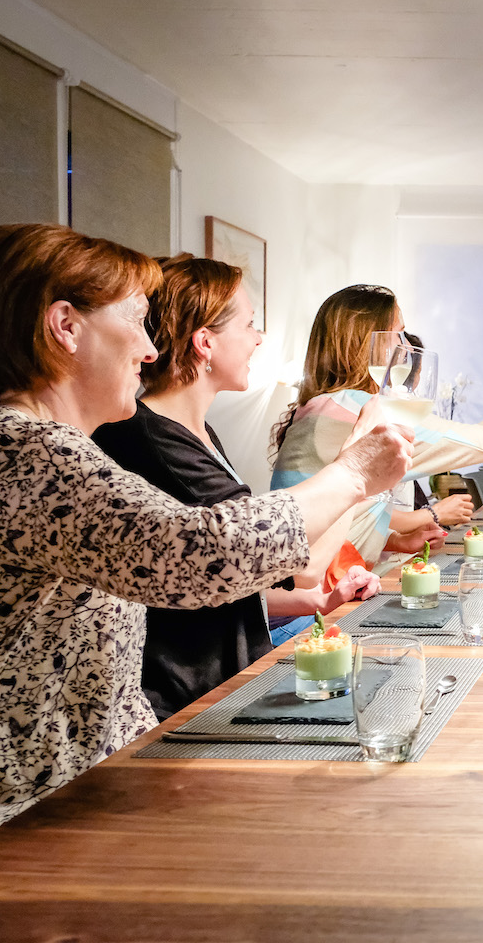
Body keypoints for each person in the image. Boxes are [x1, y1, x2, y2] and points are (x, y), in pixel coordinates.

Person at [0, 224, 413, 878]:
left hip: (78, 795)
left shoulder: (49, 447)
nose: (150, 349)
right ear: (65, 326)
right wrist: (352, 473)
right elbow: (200, 556)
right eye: (136, 321)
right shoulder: (16, 452)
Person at [92, 255, 386, 720]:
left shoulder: (197, 433)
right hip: (190, 703)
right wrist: (357, 466)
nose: (259, 337)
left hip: (226, 681)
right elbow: (302, 565)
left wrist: (313, 601)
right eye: (249, 324)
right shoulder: (152, 443)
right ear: (205, 342)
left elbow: (220, 576)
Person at [271, 285, 483, 564]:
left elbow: (345, 513)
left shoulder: (317, 407)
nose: (405, 345)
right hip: (315, 593)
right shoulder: (363, 409)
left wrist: (395, 541)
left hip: (300, 578)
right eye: (398, 333)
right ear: (367, 343)